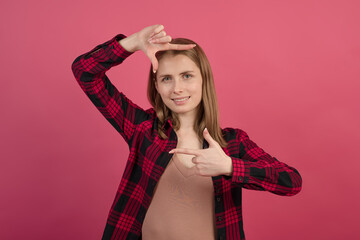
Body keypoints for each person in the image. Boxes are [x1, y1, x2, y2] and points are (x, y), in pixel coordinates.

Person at [71, 24, 302, 240]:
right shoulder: (143, 130)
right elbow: (84, 72)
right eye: (166, 79)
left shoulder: (233, 142)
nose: (177, 88)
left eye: (187, 76)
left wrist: (230, 166)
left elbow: (291, 182)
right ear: (157, 86)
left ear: (204, 79)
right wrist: (133, 43)